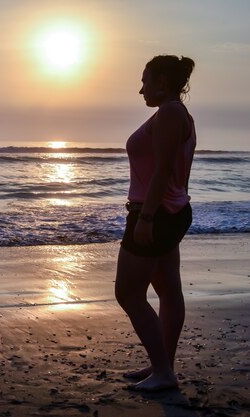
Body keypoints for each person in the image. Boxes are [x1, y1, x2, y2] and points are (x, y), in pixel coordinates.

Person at [115, 54, 196, 392]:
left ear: (162, 81)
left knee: (128, 294)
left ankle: (164, 372)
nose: (141, 89)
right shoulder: (177, 113)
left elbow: (162, 170)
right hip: (171, 212)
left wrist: (145, 218)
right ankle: (162, 366)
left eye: (145, 80)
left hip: (156, 214)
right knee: (168, 291)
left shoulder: (170, 113)